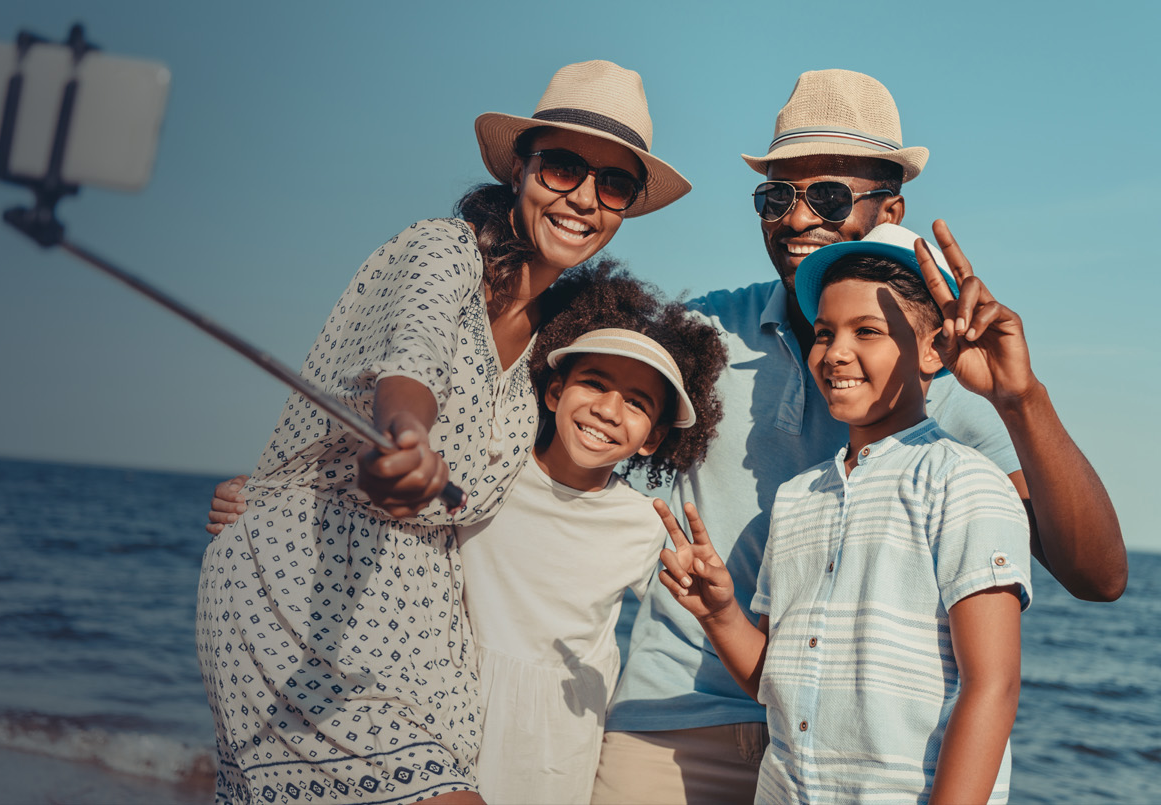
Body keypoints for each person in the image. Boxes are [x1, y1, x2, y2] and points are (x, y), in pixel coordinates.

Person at [592, 69, 1126, 804]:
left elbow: (1098, 577)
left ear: (891, 208)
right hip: (677, 720)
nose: (796, 216)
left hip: (866, 754)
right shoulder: (704, 331)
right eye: (776, 195)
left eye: (830, 195)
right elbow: (576, 410)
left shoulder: (949, 381)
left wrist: (1020, 400)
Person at [196, 61, 691, 805]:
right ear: (519, 167)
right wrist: (404, 439)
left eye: (613, 183)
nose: (584, 197)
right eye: (562, 166)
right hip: (311, 588)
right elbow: (409, 369)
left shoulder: (550, 343)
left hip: (425, 629)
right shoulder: (442, 252)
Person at [659, 222, 1031, 803]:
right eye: (825, 332)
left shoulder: (966, 482)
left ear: (933, 351)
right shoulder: (797, 498)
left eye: (868, 331)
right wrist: (721, 613)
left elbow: (993, 686)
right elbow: (780, 685)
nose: (835, 353)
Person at [459, 264, 725, 805]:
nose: (608, 409)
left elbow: (687, 617)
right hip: (454, 698)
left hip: (560, 733)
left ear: (652, 440)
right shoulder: (486, 469)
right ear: (554, 390)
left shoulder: (645, 523)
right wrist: (262, 496)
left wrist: (711, 599)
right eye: (595, 383)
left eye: (637, 402)